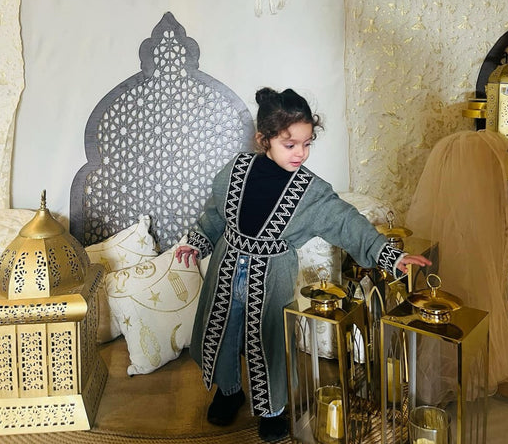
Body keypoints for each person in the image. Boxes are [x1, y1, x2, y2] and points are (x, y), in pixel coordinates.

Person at [176, 87, 431, 443]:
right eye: (290, 144)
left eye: (307, 143)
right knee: (222, 330)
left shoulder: (309, 192)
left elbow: (346, 221)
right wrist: (197, 240)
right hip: (226, 267)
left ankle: (272, 409)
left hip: (271, 275)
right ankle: (229, 391)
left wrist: (390, 254)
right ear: (264, 139)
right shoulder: (236, 171)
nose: (300, 153)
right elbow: (216, 214)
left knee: (269, 339)